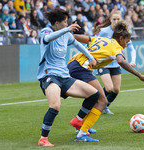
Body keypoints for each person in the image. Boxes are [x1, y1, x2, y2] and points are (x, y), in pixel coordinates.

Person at [68, 21, 144, 142]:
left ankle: (81, 123)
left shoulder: (101, 39)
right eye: (126, 42)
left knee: (94, 96)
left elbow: (75, 37)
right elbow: (121, 61)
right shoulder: (117, 47)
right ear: (121, 38)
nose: (125, 46)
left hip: (72, 63)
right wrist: (139, 75)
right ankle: (81, 132)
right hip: (83, 68)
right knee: (102, 101)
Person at [37, 8, 100, 147]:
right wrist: (67, 30)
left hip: (64, 76)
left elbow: (78, 45)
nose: (67, 24)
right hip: (50, 75)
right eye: (65, 22)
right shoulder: (46, 32)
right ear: (57, 23)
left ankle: (78, 120)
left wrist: (90, 57)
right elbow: (47, 39)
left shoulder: (66, 34)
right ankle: (43, 139)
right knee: (55, 105)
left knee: (94, 94)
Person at [93, 10, 136, 114]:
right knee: (109, 88)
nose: (116, 21)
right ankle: (94, 104)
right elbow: (93, 42)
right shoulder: (103, 31)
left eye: (118, 19)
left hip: (116, 64)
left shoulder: (123, 33)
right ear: (110, 19)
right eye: (114, 19)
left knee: (116, 90)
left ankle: (105, 106)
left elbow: (131, 48)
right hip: (104, 63)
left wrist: (132, 61)